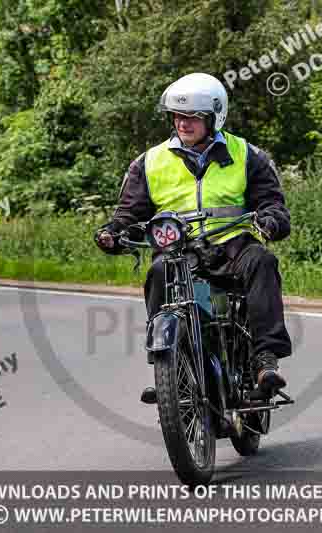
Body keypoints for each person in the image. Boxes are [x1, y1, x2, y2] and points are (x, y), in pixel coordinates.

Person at [94, 72, 292, 402]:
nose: (183, 124)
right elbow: (129, 214)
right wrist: (113, 234)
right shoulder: (149, 162)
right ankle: (168, 367)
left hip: (232, 248)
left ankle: (264, 360)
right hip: (179, 254)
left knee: (262, 261)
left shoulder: (247, 155)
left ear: (215, 117)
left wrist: (270, 220)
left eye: (193, 117)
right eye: (177, 116)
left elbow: (271, 201)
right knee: (159, 272)